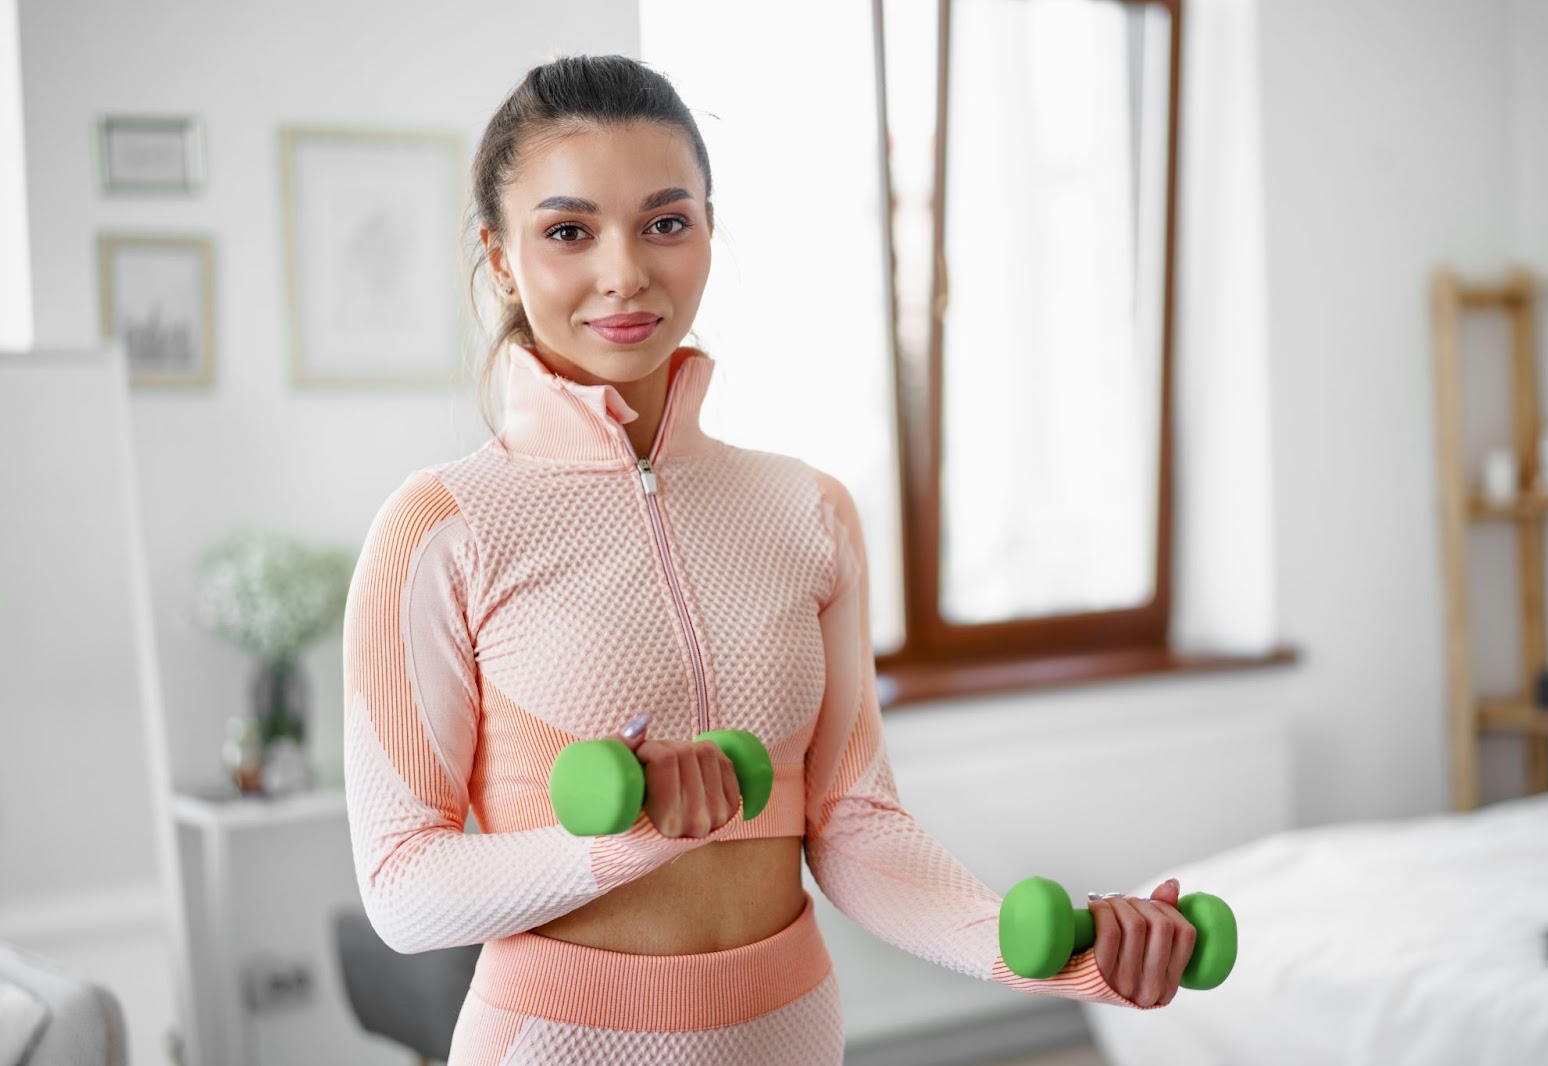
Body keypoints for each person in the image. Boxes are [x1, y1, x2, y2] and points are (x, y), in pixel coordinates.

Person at [342, 53, 1195, 1066]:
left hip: (790, 1033)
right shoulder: (441, 527)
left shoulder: (807, 510)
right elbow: (402, 884)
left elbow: (855, 827)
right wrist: (624, 838)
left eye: (667, 221)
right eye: (569, 230)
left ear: (708, 226)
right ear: (499, 256)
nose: (625, 272)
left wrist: (1055, 952)